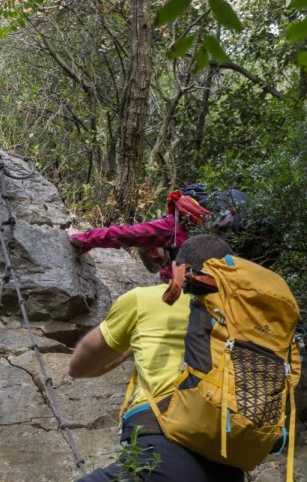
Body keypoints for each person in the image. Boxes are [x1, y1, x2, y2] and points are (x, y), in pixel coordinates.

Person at [68, 235, 245, 481]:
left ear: (175, 268)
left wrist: (129, 348)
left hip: (164, 444)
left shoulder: (144, 299)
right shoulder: (244, 318)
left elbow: (79, 366)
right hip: (231, 463)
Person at [67, 191, 211, 279]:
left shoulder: (169, 227)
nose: (165, 263)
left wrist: (87, 239)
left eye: (161, 261)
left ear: (152, 251)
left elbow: (126, 234)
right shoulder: (183, 230)